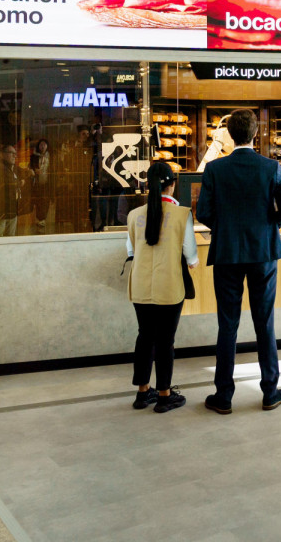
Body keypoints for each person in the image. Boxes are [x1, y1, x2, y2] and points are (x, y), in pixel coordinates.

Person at [196, 109, 281, 414]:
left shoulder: (215, 169)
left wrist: (226, 229)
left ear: (229, 135)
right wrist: (268, 228)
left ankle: (224, 396)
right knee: (264, 322)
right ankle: (270, 391)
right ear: (256, 134)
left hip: (227, 252)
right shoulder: (271, 167)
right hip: (263, 252)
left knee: (228, 324)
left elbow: (203, 213)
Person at [125, 162, 197, 414]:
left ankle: (143, 393)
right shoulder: (182, 214)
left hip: (141, 284)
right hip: (170, 285)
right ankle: (165, 395)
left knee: (145, 335)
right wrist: (191, 262)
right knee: (165, 340)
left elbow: (131, 250)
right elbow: (192, 256)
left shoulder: (134, 215)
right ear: (173, 184)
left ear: (147, 186)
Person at [0, 143, 21, 236]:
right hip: (2, 212)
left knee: (10, 238)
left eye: (15, 153)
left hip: (11, 211)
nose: (14, 155)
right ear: (3, 154)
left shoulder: (11, 167)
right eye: (11, 153)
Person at [29, 138, 51, 230]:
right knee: (38, 201)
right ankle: (39, 218)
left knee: (46, 201)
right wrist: (34, 170)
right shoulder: (34, 156)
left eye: (44, 144)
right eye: (41, 144)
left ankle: (43, 219)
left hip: (47, 182)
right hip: (37, 182)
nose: (42, 146)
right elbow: (30, 166)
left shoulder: (50, 156)